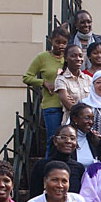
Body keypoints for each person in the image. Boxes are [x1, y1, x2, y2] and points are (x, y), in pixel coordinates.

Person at [23, 27, 69, 155]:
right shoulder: (42, 58)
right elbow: (27, 77)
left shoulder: (70, 57)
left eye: (64, 43)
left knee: (69, 142)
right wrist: (43, 83)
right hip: (52, 105)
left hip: (69, 105)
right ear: (51, 41)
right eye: (57, 42)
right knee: (53, 140)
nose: (61, 45)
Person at [30, 124, 86, 197]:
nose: (68, 141)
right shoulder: (41, 165)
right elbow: (34, 195)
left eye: (72, 138)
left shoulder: (79, 168)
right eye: (63, 137)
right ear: (55, 141)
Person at [55, 45, 92, 123]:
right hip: (71, 123)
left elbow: (94, 99)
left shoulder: (88, 79)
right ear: (66, 58)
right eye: (73, 56)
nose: (78, 59)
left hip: (89, 124)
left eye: (80, 56)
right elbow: (68, 105)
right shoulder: (61, 79)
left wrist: (76, 105)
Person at [69, 103, 101, 167]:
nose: (91, 122)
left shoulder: (94, 140)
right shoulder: (65, 141)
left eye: (92, 118)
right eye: (87, 118)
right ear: (75, 119)